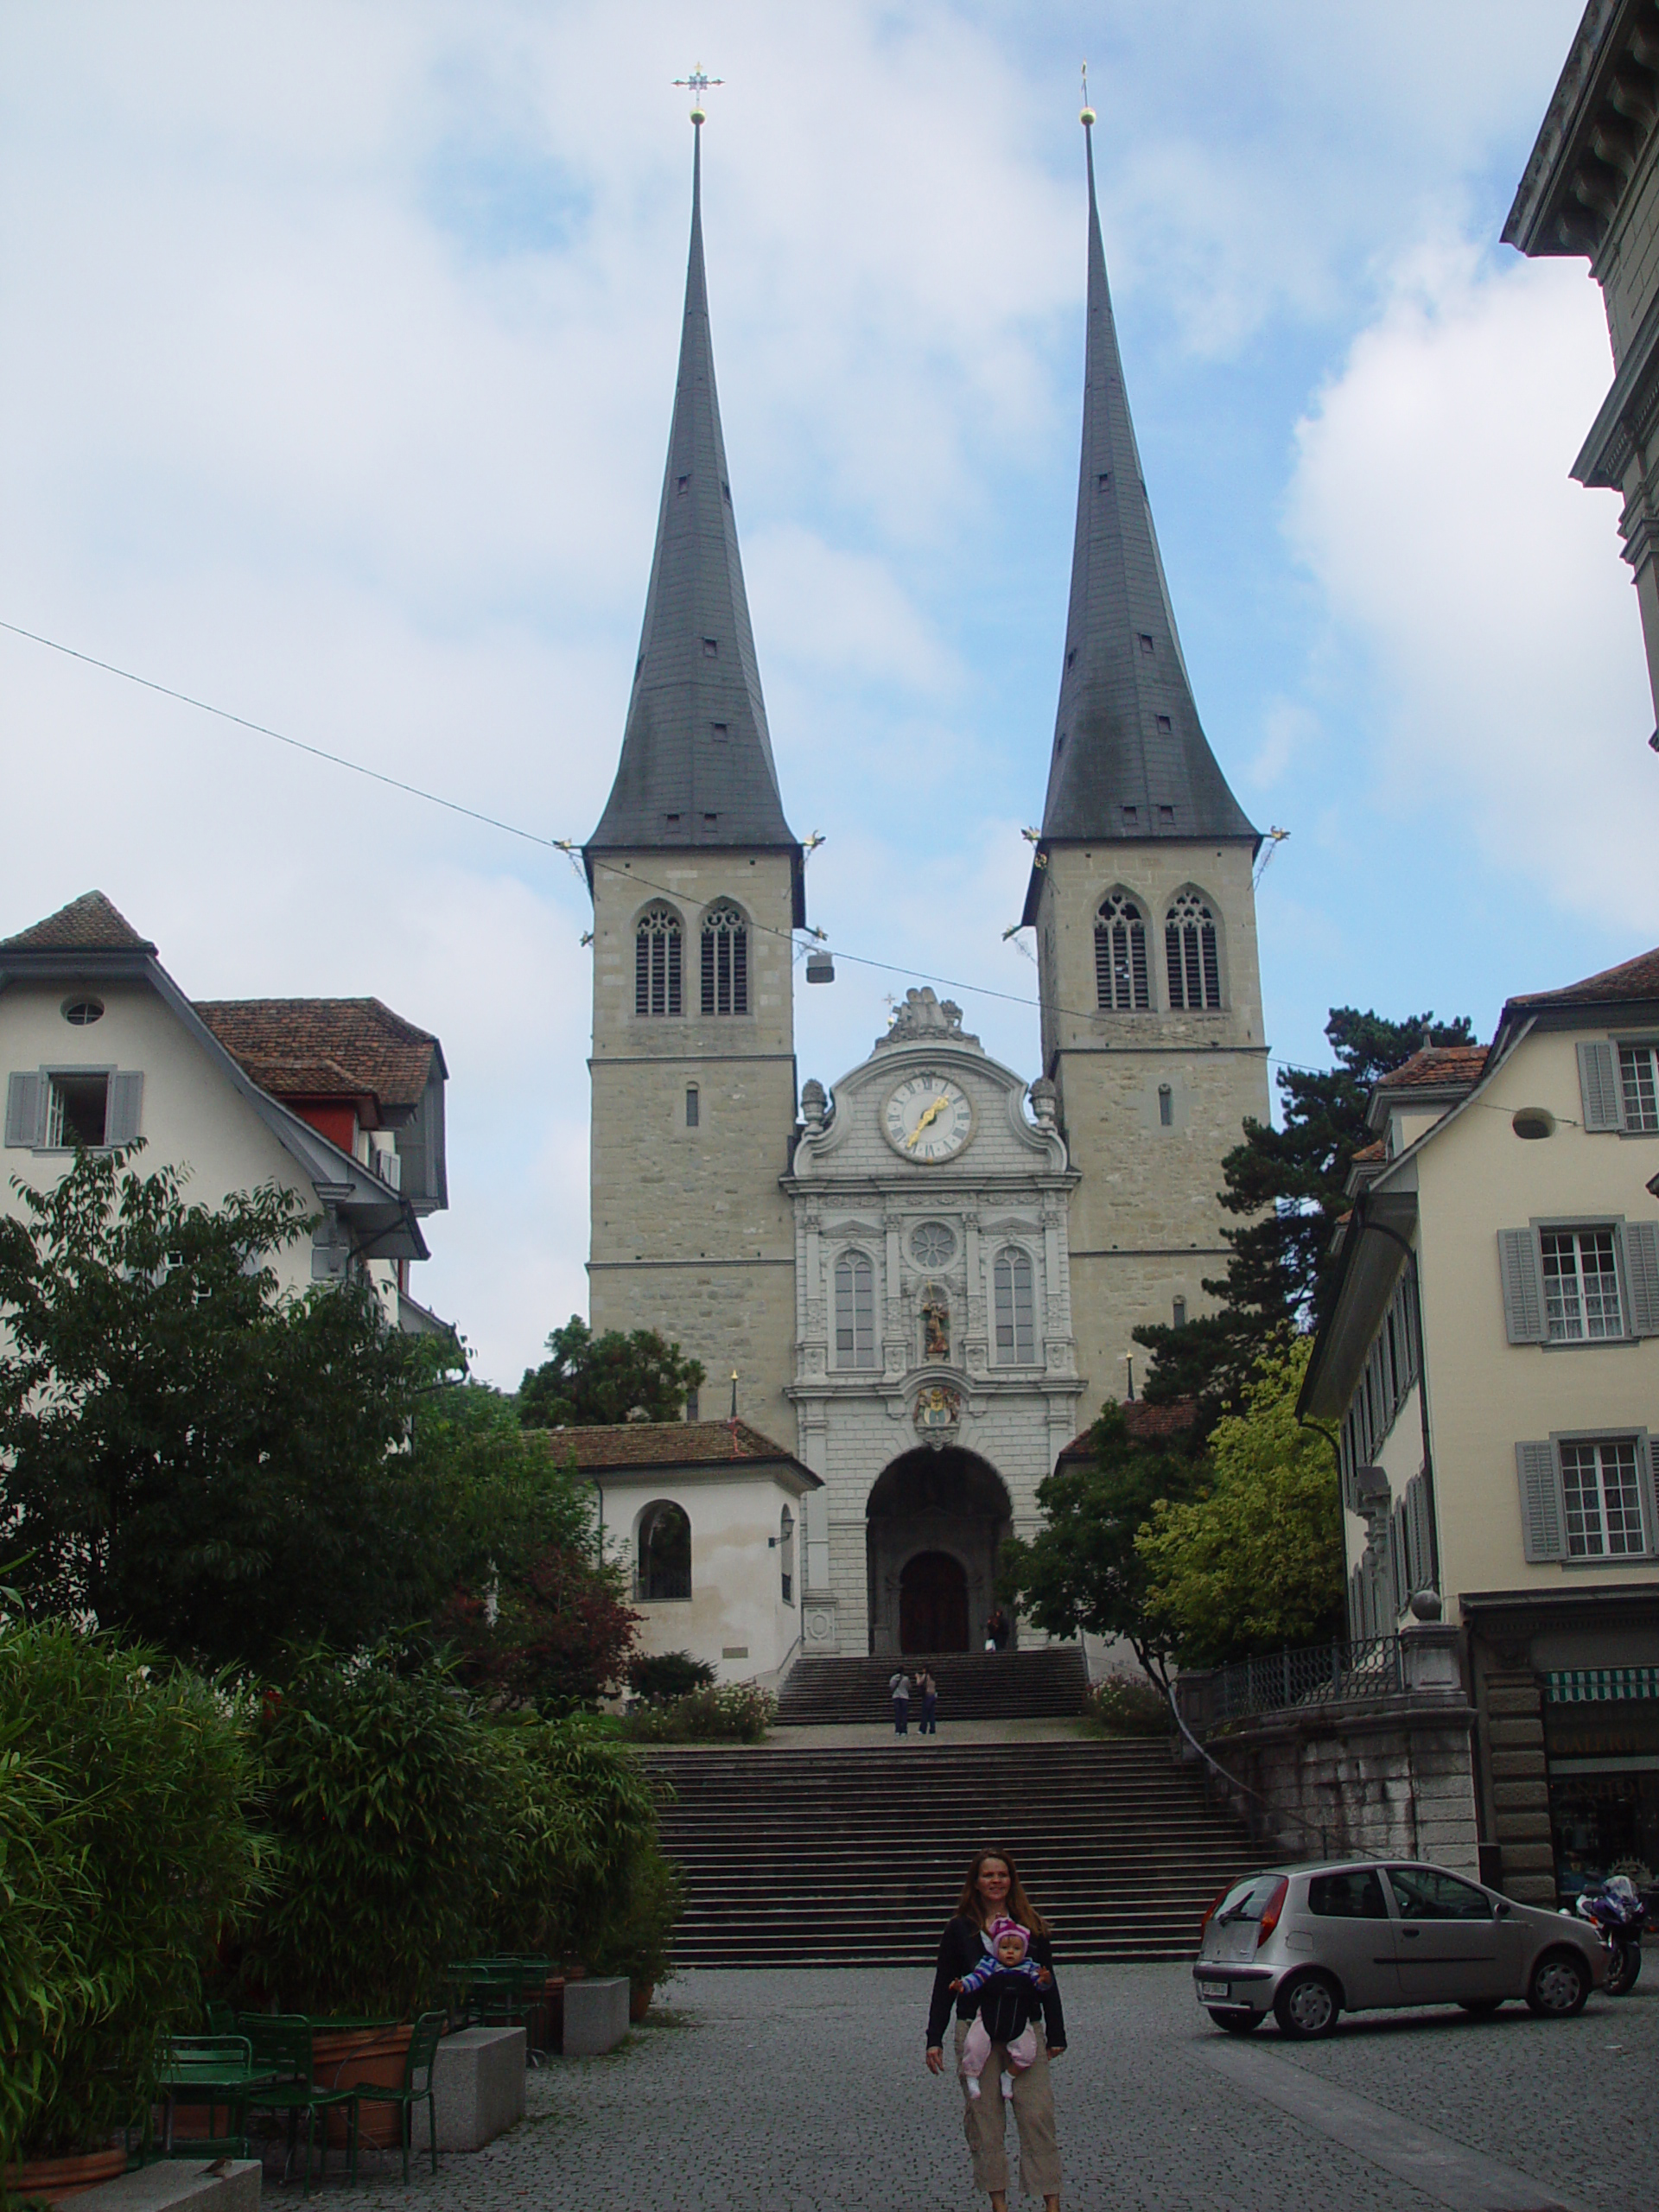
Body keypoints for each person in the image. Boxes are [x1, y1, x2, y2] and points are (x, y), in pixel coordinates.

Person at [926, 1847, 1065, 2212]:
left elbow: (1048, 1980)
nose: (995, 1881)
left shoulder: (1030, 1924)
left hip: (1025, 2030)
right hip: (976, 2031)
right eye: (988, 1875)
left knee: (1037, 2115)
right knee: (986, 2121)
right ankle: (999, 2205)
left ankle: (1052, 2203)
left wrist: (1057, 2032)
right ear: (975, 1882)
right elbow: (945, 1983)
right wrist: (933, 2038)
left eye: (1002, 1875)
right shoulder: (960, 1929)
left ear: (1011, 1880)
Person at [950, 1917, 1052, 2100]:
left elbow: (1040, 1987)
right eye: (1005, 1948)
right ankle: (972, 2076)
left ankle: (1010, 2075)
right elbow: (976, 1979)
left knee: (1028, 2052)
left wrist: (1045, 1980)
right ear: (997, 1949)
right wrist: (963, 1986)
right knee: (974, 2044)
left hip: (1019, 2018)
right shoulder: (989, 1965)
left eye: (1016, 1949)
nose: (1010, 1953)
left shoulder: (1029, 1967)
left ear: (1024, 1950)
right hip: (989, 2015)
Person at [889, 1665, 912, 1735]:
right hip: (904, 1697)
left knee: (897, 1714)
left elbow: (891, 1686)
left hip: (896, 1696)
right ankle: (904, 1730)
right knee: (904, 1714)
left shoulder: (893, 1678)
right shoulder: (906, 1678)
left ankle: (897, 1730)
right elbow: (909, 1687)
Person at [915, 1668, 938, 1734]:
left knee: (924, 1713)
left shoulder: (925, 1675)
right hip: (933, 1696)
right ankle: (932, 1729)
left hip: (927, 1695)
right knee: (931, 1714)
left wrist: (918, 1677)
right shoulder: (933, 1677)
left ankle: (923, 1729)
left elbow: (919, 1683)